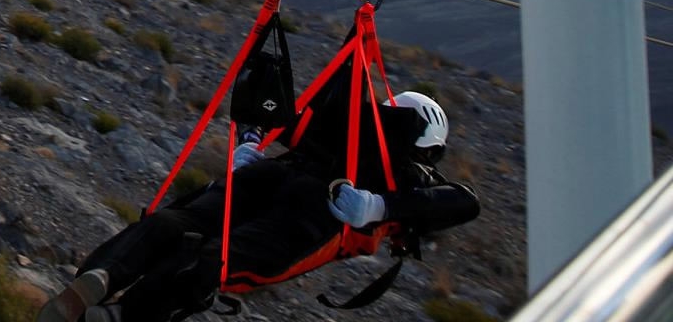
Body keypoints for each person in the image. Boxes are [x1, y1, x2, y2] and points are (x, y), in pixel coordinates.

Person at [40, 91, 478, 322]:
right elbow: (464, 202)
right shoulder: (406, 170)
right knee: (217, 258)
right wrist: (378, 206)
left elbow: (274, 117)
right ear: (429, 144)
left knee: (177, 222)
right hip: (317, 211)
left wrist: (251, 146)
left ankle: (105, 274)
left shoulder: (342, 132)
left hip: (271, 174)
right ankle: (121, 316)